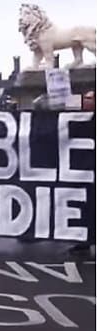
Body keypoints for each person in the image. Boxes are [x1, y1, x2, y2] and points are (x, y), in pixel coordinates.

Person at [69, 90, 95, 256]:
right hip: (85, 172)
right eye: (85, 98)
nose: (86, 101)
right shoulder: (77, 119)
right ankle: (83, 241)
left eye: (90, 98)